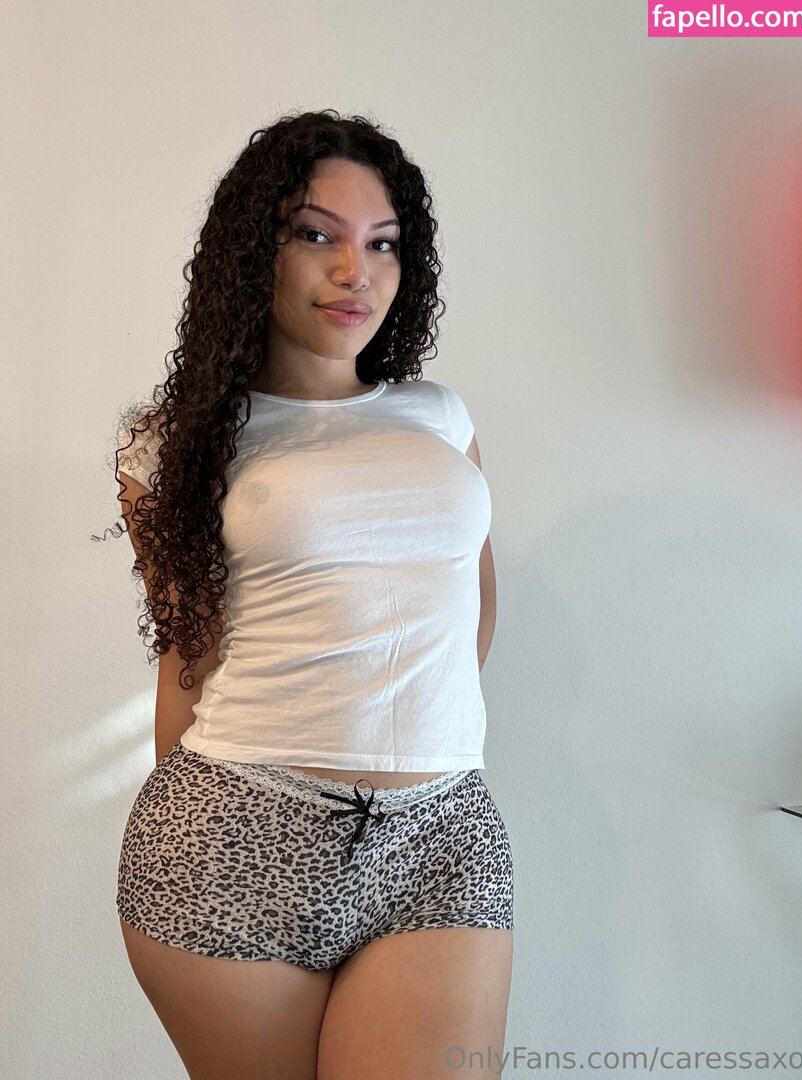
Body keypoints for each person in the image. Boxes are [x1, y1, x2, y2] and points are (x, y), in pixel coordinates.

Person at [110, 108, 513, 1080]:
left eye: (382, 243)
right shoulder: (174, 444)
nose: (354, 271)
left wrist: (405, 729)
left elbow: (476, 603)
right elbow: (190, 653)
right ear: (257, 251)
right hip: (237, 830)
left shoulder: (439, 419)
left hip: (441, 834)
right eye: (316, 235)